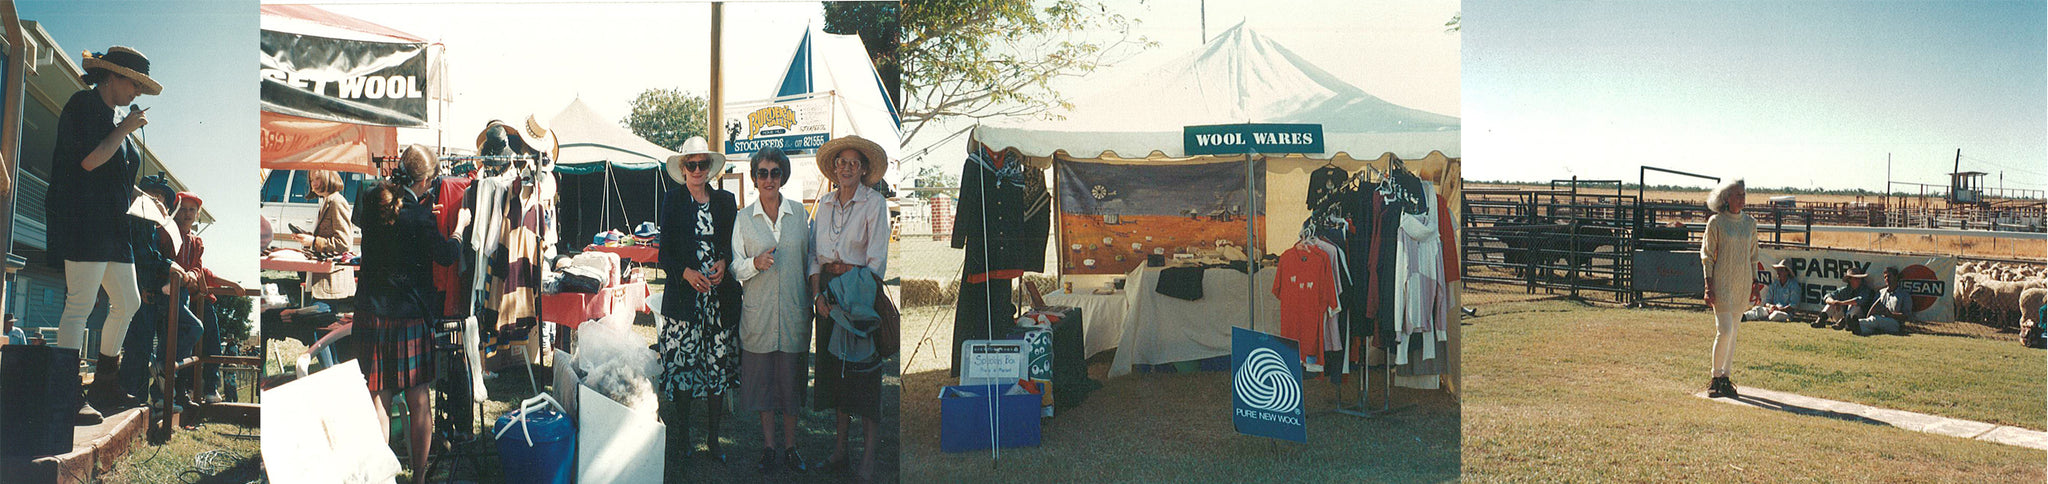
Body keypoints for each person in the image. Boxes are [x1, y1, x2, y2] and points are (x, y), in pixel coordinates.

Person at [51, 46, 160, 423]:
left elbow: (117, 177)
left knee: (128, 302)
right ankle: (65, 393)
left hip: (115, 227)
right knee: (80, 305)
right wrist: (125, 129)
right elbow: (89, 160)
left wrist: (146, 199)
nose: (137, 94)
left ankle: (104, 383)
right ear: (113, 75)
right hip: (84, 221)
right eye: (134, 84)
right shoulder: (82, 106)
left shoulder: (116, 121)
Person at [355, 145, 461, 484]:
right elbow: (446, 255)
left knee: (379, 401)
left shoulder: (374, 202)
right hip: (411, 317)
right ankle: (417, 481)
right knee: (418, 402)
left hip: (375, 314)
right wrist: (459, 228)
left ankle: (377, 479)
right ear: (427, 180)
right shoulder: (420, 217)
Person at [809, 135, 893, 480]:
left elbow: (876, 262)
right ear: (834, 168)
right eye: (841, 162)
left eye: (853, 163)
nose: (845, 168)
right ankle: (840, 452)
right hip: (827, 296)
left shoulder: (874, 204)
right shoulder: (824, 204)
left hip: (859, 295)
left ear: (863, 170)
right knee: (836, 376)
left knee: (864, 377)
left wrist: (847, 294)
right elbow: (813, 256)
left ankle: (868, 459)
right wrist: (818, 296)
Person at [657, 136, 740, 463]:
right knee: (683, 370)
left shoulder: (725, 201)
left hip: (719, 302)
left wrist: (723, 262)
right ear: (682, 168)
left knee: (717, 368)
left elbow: (733, 245)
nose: (696, 169)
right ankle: (683, 438)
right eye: (690, 164)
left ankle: (714, 439)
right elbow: (664, 253)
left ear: (710, 167)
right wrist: (686, 273)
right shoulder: (672, 200)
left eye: (702, 164)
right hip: (684, 302)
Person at [730, 147, 814, 474]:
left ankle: (791, 448)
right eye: (762, 172)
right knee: (763, 387)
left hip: (793, 314)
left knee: (791, 387)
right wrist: (755, 263)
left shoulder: (800, 215)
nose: (768, 179)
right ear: (754, 178)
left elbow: (811, 262)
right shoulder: (742, 218)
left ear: (783, 177)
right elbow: (736, 268)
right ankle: (769, 447)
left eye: (774, 172)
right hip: (759, 316)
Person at [116, 176, 203, 409]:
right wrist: (164, 270)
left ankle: (144, 399)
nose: (158, 199)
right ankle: (129, 400)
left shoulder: (154, 226)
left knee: (144, 349)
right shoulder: (139, 219)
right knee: (137, 349)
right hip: (137, 293)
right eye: (153, 194)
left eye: (162, 196)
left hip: (150, 296)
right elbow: (141, 257)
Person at [1700, 179, 1765, 399]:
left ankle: (1726, 378)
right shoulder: (1716, 223)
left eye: (1744, 194)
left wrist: (1755, 284)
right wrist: (1708, 286)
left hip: (1743, 283)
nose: (1742, 199)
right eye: (1738, 194)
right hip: (1721, 284)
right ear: (1726, 198)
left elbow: (1753, 256)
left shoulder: (1750, 224)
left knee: (1734, 332)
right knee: (1724, 330)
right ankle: (1715, 377)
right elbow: (1707, 256)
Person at [297, 169, 357, 309]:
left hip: (331, 280)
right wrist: (308, 238)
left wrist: (313, 241)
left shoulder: (336, 202)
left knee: (320, 321)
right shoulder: (326, 201)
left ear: (329, 177)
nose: (314, 184)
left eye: (317, 179)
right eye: (311, 180)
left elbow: (344, 243)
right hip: (323, 280)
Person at [1857, 267, 1914, 335]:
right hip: (1880, 320)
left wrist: (1891, 314)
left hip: (1895, 323)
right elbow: (1872, 310)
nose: (1887, 279)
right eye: (1885, 277)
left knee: (1876, 320)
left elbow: (1907, 316)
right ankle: (1857, 328)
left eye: (1889, 276)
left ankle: (1854, 323)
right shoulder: (1881, 292)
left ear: (1896, 277)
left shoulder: (1904, 295)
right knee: (1871, 323)